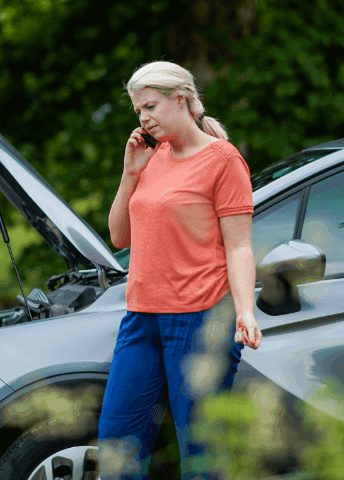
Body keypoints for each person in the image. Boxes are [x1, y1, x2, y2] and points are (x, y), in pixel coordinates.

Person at [97, 61, 262, 480]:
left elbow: (239, 245)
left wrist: (245, 311)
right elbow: (119, 237)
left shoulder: (223, 160)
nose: (143, 117)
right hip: (141, 317)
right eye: (138, 111)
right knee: (118, 446)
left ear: (182, 100)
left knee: (202, 454)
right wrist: (129, 173)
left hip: (201, 318)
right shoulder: (149, 158)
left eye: (149, 106)